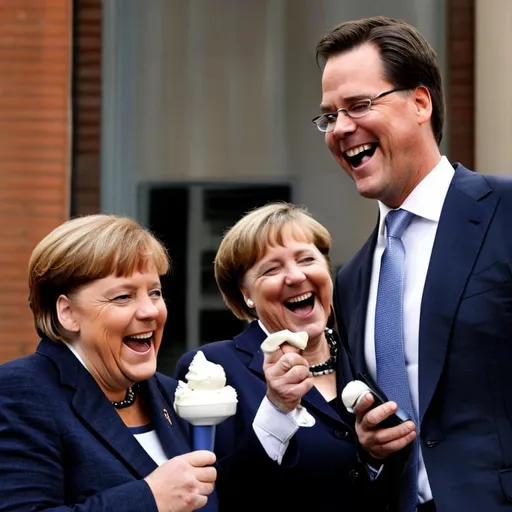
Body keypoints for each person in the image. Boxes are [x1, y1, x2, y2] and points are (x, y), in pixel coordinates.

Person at [313, 15, 512, 512]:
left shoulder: (505, 212)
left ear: (420, 102)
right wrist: (370, 444)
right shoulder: (353, 279)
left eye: (358, 105)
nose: (341, 128)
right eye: (329, 116)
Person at [175, 202, 388, 512]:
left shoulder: (366, 353)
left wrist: (373, 459)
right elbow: (215, 496)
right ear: (245, 294)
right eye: (272, 269)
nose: (295, 276)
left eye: (306, 259)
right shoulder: (212, 368)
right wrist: (277, 408)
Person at [0, 214, 217, 512]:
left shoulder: (172, 393)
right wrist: (150, 500)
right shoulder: (20, 391)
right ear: (67, 313)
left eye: (155, 292)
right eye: (122, 297)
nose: (150, 311)